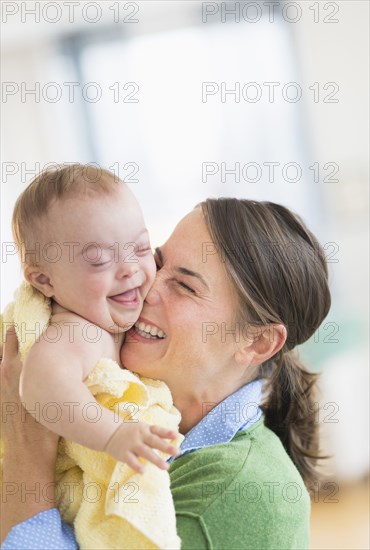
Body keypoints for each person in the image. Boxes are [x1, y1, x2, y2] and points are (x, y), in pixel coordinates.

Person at [1, 198, 331, 549]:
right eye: (156, 262)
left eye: (185, 287)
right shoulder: (108, 396)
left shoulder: (240, 493)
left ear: (258, 341)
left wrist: (31, 443)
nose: (145, 289)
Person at [5, 163, 179, 471]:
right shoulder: (75, 331)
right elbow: (40, 385)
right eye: (99, 260)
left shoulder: (114, 316)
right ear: (45, 281)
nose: (129, 268)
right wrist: (113, 434)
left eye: (140, 248)